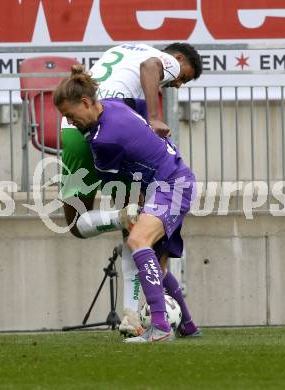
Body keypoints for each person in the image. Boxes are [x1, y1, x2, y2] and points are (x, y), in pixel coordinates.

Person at [60, 43, 202, 336]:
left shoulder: (104, 130)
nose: (177, 83)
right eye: (182, 77)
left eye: (183, 80)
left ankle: (158, 325)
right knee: (142, 241)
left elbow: (150, 66)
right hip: (172, 179)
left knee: (129, 236)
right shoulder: (117, 107)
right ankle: (169, 322)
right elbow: (150, 67)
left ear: (86, 102)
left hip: (165, 182)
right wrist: (151, 116)